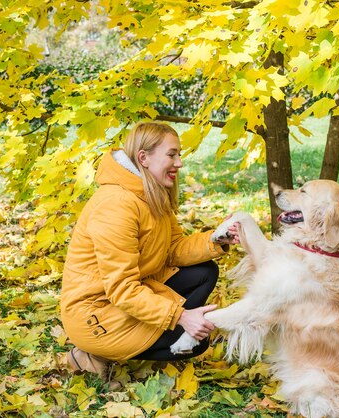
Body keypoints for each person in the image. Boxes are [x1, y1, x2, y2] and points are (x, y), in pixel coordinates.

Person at [60, 121, 239, 377]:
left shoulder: (150, 194)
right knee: (197, 343)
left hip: (131, 294)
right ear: (143, 158)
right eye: (171, 154)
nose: (179, 163)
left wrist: (217, 239)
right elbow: (122, 289)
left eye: (179, 154)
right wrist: (180, 317)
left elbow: (175, 249)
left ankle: (166, 334)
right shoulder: (117, 205)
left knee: (204, 271)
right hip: (95, 315)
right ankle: (91, 354)